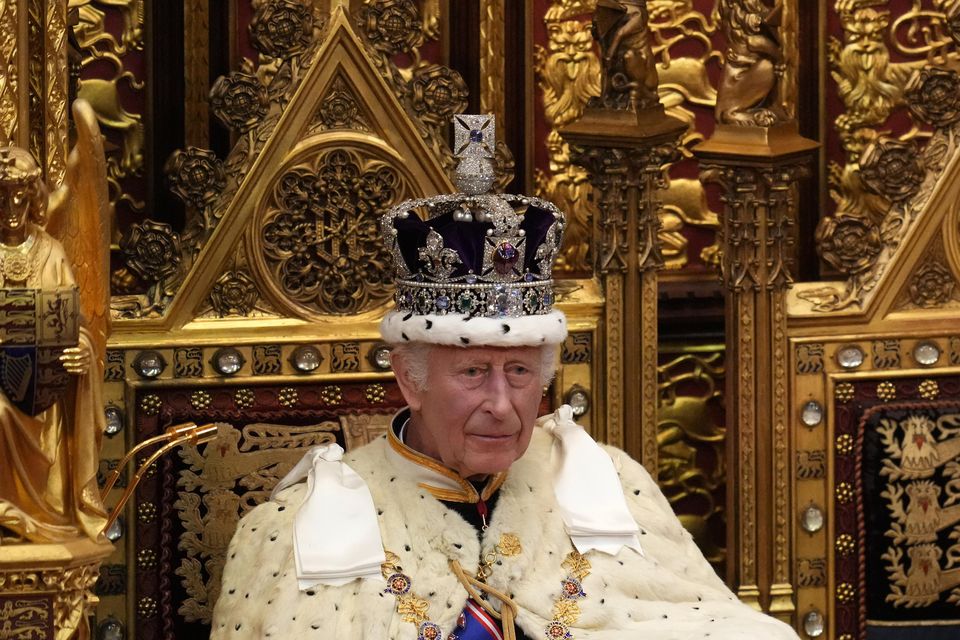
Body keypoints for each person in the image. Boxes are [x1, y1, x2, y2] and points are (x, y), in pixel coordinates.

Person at [211, 118, 799, 639]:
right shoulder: (299, 526)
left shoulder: (608, 484)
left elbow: (708, 621)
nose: (502, 404)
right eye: (472, 371)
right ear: (410, 379)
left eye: (519, 371)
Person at [0, 145, 108, 543]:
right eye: (1, 196)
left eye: (18, 195)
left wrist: (83, 350)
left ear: (32, 197)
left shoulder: (52, 252)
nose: (10, 207)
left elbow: (70, 323)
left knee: (25, 405)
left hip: (41, 396)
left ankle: (41, 513)